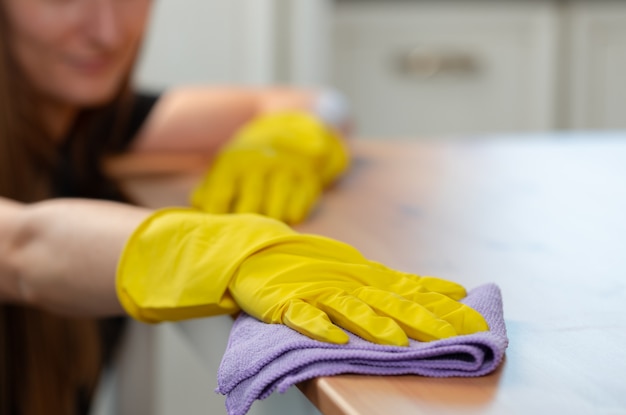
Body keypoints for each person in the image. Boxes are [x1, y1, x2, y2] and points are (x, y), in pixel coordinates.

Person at [0, 1, 489, 415]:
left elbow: (317, 102)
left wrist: (282, 141)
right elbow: (24, 250)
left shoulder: (94, 121)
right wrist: (230, 253)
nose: (107, 32)